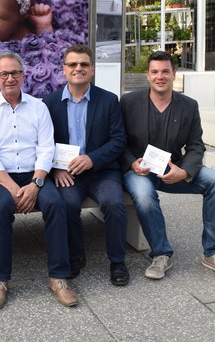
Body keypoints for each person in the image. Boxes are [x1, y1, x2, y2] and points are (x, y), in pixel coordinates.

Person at [121, 51, 215, 281]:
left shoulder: (188, 106)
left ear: (174, 74)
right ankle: (161, 254)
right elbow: (118, 140)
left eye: (165, 71)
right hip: (138, 170)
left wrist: (184, 171)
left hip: (172, 169)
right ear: (147, 75)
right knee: (144, 195)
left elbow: (196, 145)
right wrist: (131, 162)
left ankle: (214, 252)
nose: (160, 76)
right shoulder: (128, 102)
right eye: (154, 72)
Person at [0, 51, 78, 309]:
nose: (9, 78)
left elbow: (46, 149)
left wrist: (36, 184)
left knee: (56, 205)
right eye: (3, 73)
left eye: (14, 73)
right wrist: (13, 188)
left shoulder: (39, 107)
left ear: (23, 75)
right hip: (2, 178)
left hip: (35, 175)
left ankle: (59, 278)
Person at [43, 44, 129, 286]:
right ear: (64, 69)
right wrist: (56, 168)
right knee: (67, 204)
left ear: (92, 69)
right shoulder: (49, 103)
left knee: (114, 203)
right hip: (66, 173)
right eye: (72, 64)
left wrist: (92, 158)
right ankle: (76, 256)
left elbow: (118, 140)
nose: (78, 68)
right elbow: (42, 143)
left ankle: (117, 261)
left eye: (83, 64)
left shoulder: (109, 100)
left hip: (103, 171)